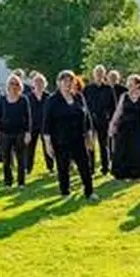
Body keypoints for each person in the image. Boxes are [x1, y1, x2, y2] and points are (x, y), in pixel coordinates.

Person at [43, 70, 98, 200]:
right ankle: (65, 192)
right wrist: (47, 144)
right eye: (64, 81)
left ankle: (89, 192)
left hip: (79, 138)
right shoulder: (52, 100)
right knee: (63, 167)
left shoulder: (78, 97)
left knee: (85, 166)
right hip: (60, 140)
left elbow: (86, 118)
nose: (67, 84)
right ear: (58, 83)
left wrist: (89, 136)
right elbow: (46, 123)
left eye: (70, 81)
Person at [109, 74, 140, 180]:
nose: (129, 85)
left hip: (137, 127)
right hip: (124, 126)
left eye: (131, 83)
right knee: (122, 148)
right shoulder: (124, 96)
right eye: (128, 83)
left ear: (138, 85)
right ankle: (121, 172)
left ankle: (137, 172)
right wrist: (112, 124)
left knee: (136, 149)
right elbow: (118, 111)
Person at [0, 75, 32, 188]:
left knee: (21, 159)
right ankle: (8, 182)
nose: (14, 86)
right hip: (5, 133)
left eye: (16, 84)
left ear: (20, 86)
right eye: (12, 83)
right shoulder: (2, 99)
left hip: (20, 133)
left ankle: (21, 182)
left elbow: (28, 117)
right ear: (8, 85)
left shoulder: (23, 99)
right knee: (6, 159)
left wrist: (28, 133)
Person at [83, 65, 116, 176]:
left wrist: (112, 120)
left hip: (103, 120)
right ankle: (91, 168)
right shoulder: (88, 89)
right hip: (90, 120)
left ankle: (105, 167)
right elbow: (83, 105)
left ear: (104, 75)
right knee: (90, 145)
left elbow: (113, 106)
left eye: (101, 73)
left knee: (104, 144)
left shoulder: (108, 89)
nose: (99, 75)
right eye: (97, 73)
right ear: (94, 74)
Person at [26, 73, 54, 174]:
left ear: (44, 84)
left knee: (47, 146)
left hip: (45, 125)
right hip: (32, 125)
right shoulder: (28, 97)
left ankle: (50, 167)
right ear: (33, 84)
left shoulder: (49, 97)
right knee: (30, 148)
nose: (39, 84)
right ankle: (28, 168)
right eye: (36, 82)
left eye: (41, 82)